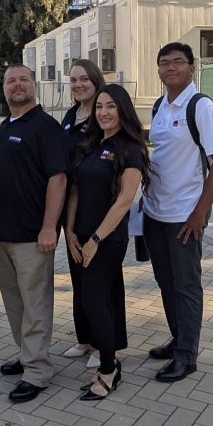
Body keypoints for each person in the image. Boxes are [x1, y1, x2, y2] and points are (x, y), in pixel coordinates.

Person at [142, 42, 213, 382]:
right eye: (164, 63)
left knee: (186, 286)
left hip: (184, 216)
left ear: (192, 68)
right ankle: (178, 339)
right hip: (155, 213)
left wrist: (199, 214)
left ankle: (187, 356)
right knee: (166, 283)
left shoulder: (201, 107)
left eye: (178, 62)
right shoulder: (159, 106)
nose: (170, 68)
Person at [0, 64, 67, 403]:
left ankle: (38, 370)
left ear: (34, 85)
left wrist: (49, 226)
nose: (17, 86)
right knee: (15, 302)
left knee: (35, 304)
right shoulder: (6, 125)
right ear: (3, 88)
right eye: (10, 81)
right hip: (3, 233)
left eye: (23, 80)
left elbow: (58, 178)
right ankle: (27, 353)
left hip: (33, 234)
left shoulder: (46, 127)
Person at [66, 84, 150, 401]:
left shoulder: (129, 148)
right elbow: (75, 190)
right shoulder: (91, 144)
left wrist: (96, 240)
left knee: (94, 300)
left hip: (108, 239)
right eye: (99, 106)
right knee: (97, 300)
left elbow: (124, 200)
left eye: (111, 106)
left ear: (123, 110)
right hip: (81, 236)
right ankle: (110, 360)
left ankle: (108, 369)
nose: (103, 112)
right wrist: (71, 232)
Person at [59, 59, 105, 367]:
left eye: (84, 79)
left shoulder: (104, 113)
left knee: (101, 280)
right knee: (78, 274)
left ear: (95, 80)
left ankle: (106, 344)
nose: (78, 84)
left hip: (98, 205)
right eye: (73, 80)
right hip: (70, 205)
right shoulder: (70, 115)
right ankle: (85, 339)